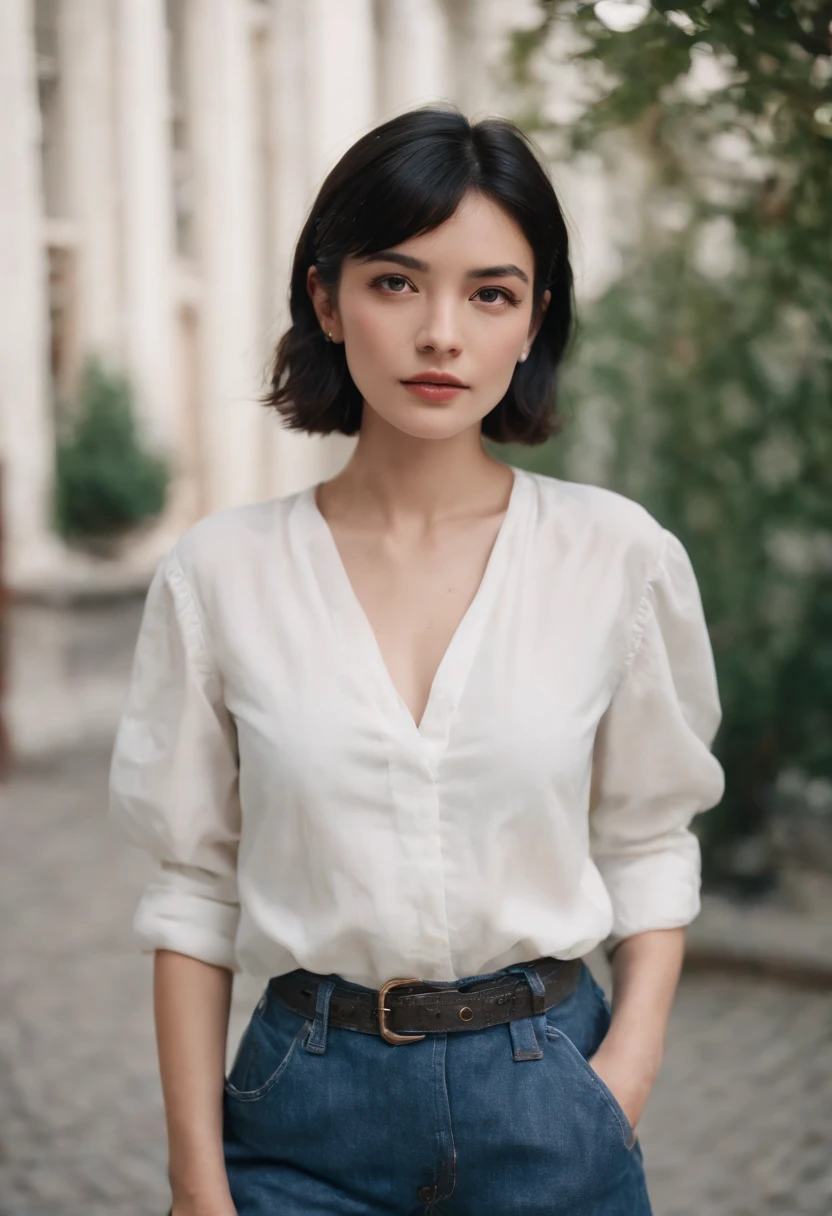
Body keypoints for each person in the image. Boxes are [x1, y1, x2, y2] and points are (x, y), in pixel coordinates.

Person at [109, 105, 725, 1216]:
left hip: (550, 1100)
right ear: (325, 298)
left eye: (489, 292)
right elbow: (193, 890)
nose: (442, 333)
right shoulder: (220, 574)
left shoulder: (615, 557)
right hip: (302, 1110)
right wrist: (196, 1185)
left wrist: (619, 1081)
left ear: (533, 320)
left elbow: (648, 838)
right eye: (396, 282)